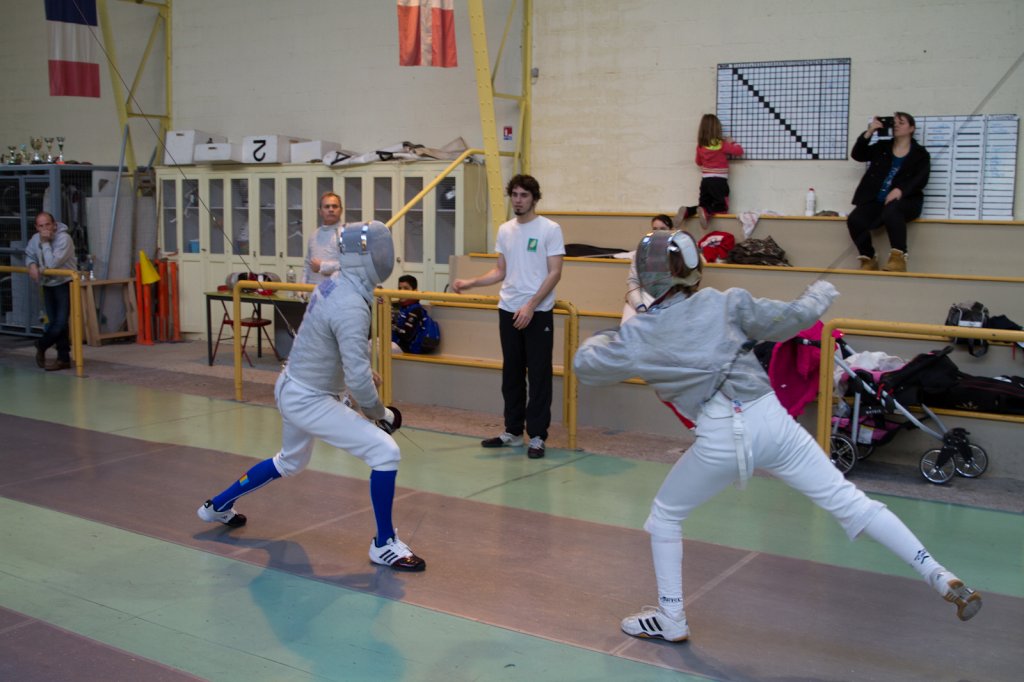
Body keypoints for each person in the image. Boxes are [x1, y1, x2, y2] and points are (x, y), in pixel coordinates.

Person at [573, 229, 982, 643]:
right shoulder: (723, 301)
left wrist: (612, 332)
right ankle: (937, 572)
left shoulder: (639, 335)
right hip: (772, 420)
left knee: (665, 515)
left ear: (644, 277)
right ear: (692, 271)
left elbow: (587, 367)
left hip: (720, 436)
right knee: (850, 502)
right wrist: (818, 294)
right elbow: (793, 319)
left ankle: (671, 617)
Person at [197, 221, 426, 572]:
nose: (385, 256)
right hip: (309, 399)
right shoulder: (351, 303)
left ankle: (217, 506)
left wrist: (359, 372)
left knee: (289, 462)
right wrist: (381, 414)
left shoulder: (334, 282)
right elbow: (358, 382)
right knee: (385, 451)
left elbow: (330, 344)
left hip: (293, 385)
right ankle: (384, 544)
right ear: (364, 258)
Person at [452, 175, 565, 459]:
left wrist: (531, 305)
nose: (518, 200)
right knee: (511, 374)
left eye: (524, 195)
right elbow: (500, 271)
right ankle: (513, 431)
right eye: (514, 194)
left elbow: (555, 273)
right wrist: (471, 282)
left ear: (534, 198)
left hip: (537, 312)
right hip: (508, 309)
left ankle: (537, 435)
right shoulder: (505, 230)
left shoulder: (550, 229)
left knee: (538, 375)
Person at [847, 112, 930, 272]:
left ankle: (898, 258)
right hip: (877, 201)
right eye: (894, 123)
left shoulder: (920, 154)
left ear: (911, 128)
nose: (896, 125)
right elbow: (858, 155)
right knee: (855, 219)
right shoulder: (882, 147)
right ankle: (868, 258)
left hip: (905, 202)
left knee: (892, 210)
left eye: (901, 123)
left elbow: (921, 179)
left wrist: (901, 190)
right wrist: (870, 131)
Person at [25, 211, 77, 371]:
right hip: (47, 284)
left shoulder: (64, 239)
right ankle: (63, 358)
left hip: (64, 283)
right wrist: (31, 264)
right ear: (36, 227)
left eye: (47, 224)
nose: (45, 229)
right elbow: (29, 254)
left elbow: (52, 264)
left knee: (60, 322)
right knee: (55, 322)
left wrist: (45, 243)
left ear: (54, 225)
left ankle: (41, 344)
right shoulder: (35, 239)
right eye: (41, 226)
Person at [676, 114, 744, 230]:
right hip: (719, 181)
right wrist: (732, 142)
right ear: (717, 128)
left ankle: (688, 210)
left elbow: (698, 162)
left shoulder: (700, 146)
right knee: (721, 206)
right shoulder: (722, 144)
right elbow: (739, 151)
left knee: (703, 205)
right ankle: (706, 211)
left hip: (705, 180)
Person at [623, 214, 673, 323]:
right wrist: (639, 305)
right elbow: (633, 281)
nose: (658, 233)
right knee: (628, 325)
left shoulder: (677, 254)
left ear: (671, 230)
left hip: (669, 302)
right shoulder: (641, 252)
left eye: (663, 229)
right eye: (655, 229)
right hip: (643, 299)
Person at [303, 192, 343, 285]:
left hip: (337, 290)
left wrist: (322, 266)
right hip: (312, 290)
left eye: (334, 206)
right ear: (320, 211)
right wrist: (301, 288)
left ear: (341, 210)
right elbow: (307, 265)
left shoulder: (347, 234)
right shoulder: (314, 235)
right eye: (327, 207)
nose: (331, 209)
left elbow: (350, 266)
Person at [391, 274, 439, 354]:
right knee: (372, 343)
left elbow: (406, 336)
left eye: (406, 288)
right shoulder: (399, 306)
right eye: (400, 288)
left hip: (406, 350)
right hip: (395, 345)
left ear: (415, 291)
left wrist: (392, 325)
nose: (402, 291)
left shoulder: (416, 310)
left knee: (374, 345)